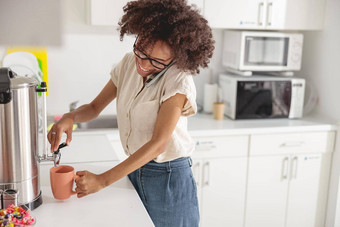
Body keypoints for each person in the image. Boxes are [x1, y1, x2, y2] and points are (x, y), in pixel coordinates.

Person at [47, 0, 214, 226]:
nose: (143, 64)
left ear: (175, 58)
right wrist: (70, 118)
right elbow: (94, 108)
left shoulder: (178, 79)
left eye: (155, 61)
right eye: (140, 51)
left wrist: (102, 180)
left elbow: (159, 143)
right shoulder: (127, 64)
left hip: (169, 178)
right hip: (135, 168)